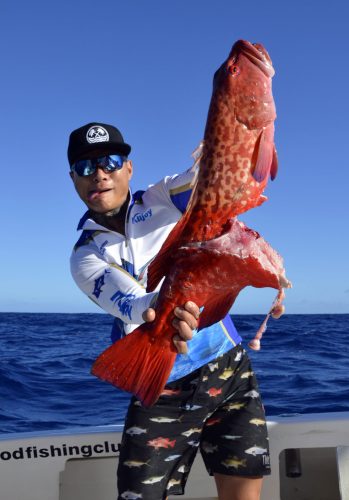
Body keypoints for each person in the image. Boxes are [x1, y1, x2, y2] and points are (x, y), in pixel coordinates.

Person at [68, 122, 275, 500]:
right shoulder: (85, 256)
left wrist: (232, 136)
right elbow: (130, 303)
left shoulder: (163, 197)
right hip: (160, 382)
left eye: (110, 162)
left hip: (227, 365)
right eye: (84, 168)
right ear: (73, 179)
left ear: (128, 168)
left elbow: (209, 181)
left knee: (243, 492)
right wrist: (168, 307)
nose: (99, 174)